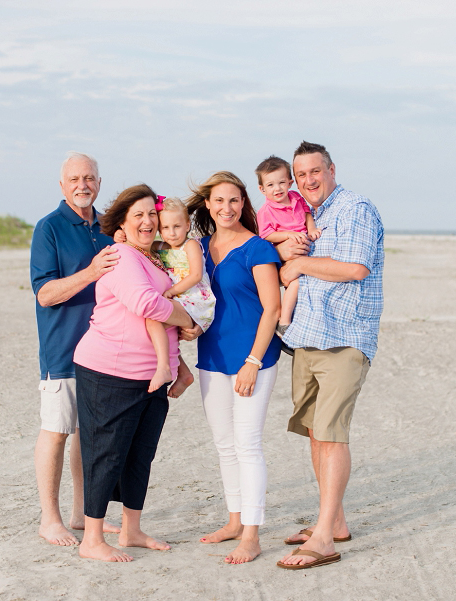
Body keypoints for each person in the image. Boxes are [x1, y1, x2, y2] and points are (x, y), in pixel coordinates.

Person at [73, 184, 196, 562]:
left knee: (139, 455)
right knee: (106, 453)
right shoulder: (122, 256)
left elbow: (160, 312)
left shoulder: (153, 258)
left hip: (151, 377)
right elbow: (146, 304)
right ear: (122, 224)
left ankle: (132, 529)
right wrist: (189, 318)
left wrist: (179, 366)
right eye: (138, 214)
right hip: (109, 371)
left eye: (151, 214)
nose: (148, 221)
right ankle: (92, 539)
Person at [276, 141, 384, 570]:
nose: (308, 181)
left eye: (314, 172)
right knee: (316, 431)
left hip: (344, 336)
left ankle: (323, 539)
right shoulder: (315, 215)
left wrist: (300, 266)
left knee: (332, 433)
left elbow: (356, 268)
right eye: (300, 175)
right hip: (310, 335)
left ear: (332, 169)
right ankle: (333, 520)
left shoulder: (354, 208)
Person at [187, 171, 282, 564]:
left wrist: (253, 362)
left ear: (244, 204)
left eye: (234, 200)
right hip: (211, 357)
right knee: (225, 445)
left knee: (248, 445)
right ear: (208, 204)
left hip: (253, 359)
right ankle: (233, 521)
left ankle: (252, 535)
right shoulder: (198, 249)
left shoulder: (257, 248)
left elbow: (272, 308)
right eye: (219, 201)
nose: (227, 208)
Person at [30, 152, 122, 546]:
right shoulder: (48, 228)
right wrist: (91, 272)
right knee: (56, 432)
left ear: (99, 182)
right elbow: (46, 294)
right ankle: (49, 520)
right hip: (62, 351)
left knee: (89, 436)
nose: (83, 185)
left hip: (102, 353)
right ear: (62, 185)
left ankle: (83, 514)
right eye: (75, 179)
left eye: (89, 178)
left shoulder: (108, 228)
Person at [144, 196, 216, 393]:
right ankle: (184, 373)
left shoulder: (190, 245)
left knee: (154, 322)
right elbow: (138, 246)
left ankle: (165, 368)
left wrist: (172, 291)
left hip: (194, 299)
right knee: (160, 330)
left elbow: (195, 275)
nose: (172, 233)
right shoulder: (161, 247)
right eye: (165, 228)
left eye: (177, 226)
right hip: (180, 300)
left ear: (187, 225)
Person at [254, 155, 320, 332]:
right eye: (270, 185)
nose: (277, 188)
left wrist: (311, 228)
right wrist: (288, 235)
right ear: (262, 189)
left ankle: (302, 319)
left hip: (304, 248)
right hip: (287, 253)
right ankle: (284, 321)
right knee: (296, 283)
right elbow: (266, 235)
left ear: (290, 182)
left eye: (281, 182)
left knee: (309, 283)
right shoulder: (265, 211)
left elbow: (306, 213)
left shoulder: (296, 197)